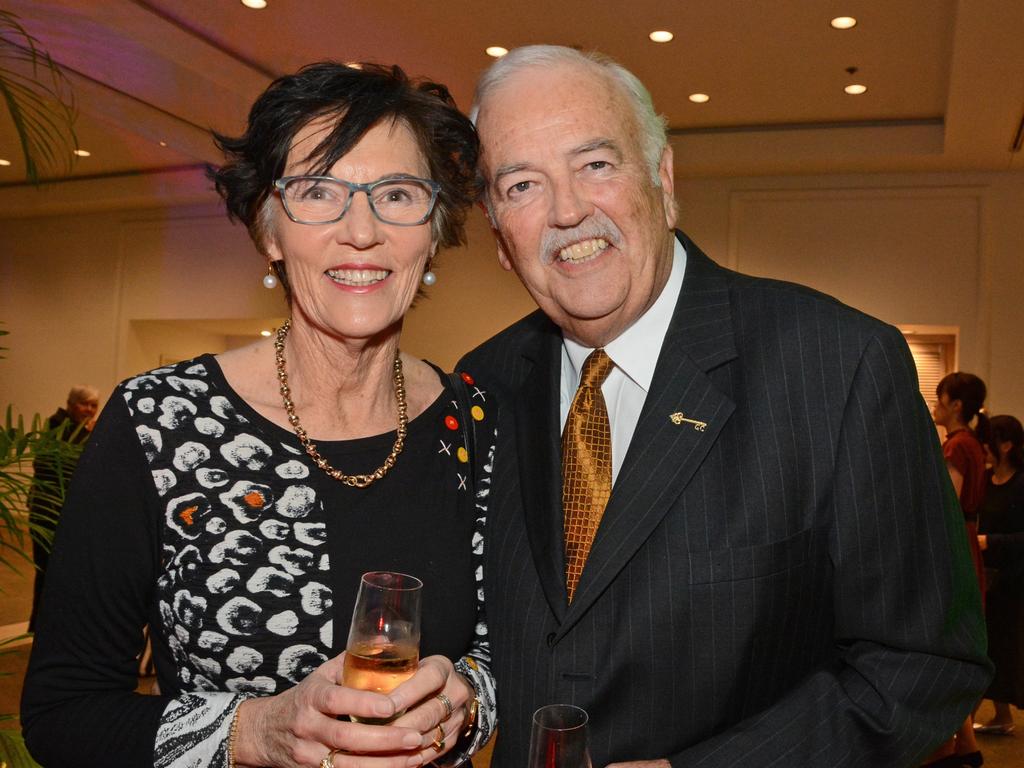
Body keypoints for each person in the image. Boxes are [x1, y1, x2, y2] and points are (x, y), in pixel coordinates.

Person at [459, 45, 991, 768]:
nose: (568, 210)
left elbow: (923, 663)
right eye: (522, 185)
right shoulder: (483, 383)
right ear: (497, 233)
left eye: (596, 165)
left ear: (664, 181)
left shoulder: (837, 365)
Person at [22, 62, 495, 768]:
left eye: (396, 194)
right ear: (269, 232)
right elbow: (63, 713)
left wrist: (468, 700)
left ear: (433, 231)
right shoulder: (159, 423)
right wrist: (257, 733)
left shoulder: (474, 422)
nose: (359, 231)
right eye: (317, 193)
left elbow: (511, 651)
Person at [926, 372, 990, 766]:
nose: (935, 402)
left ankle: (955, 743)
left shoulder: (959, 447)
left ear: (956, 405)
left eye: (939, 396)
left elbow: (946, 505)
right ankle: (964, 743)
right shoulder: (968, 445)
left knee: (947, 633)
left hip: (956, 543)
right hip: (966, 540)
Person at [26, 385, 99, 632]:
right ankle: (41, 627)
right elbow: (55, 468)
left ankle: (52, 626)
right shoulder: (56, 426)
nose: (88, 410)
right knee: (49, 573)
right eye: (84, 404)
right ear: (70, 404)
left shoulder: (83, 431)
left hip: (68, 514)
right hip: (48, 513)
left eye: (93, 405)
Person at [976, 414, 1024, 735]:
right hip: (990, 577)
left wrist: (988, 541)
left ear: (1006, 445)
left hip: (1015, 579)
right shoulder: (986, 478)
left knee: (1010, 647)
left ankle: (1003, 715)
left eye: (990, 442)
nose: (984, 448)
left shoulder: (1021, 483)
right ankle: (1001, 715)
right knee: (993, 647)